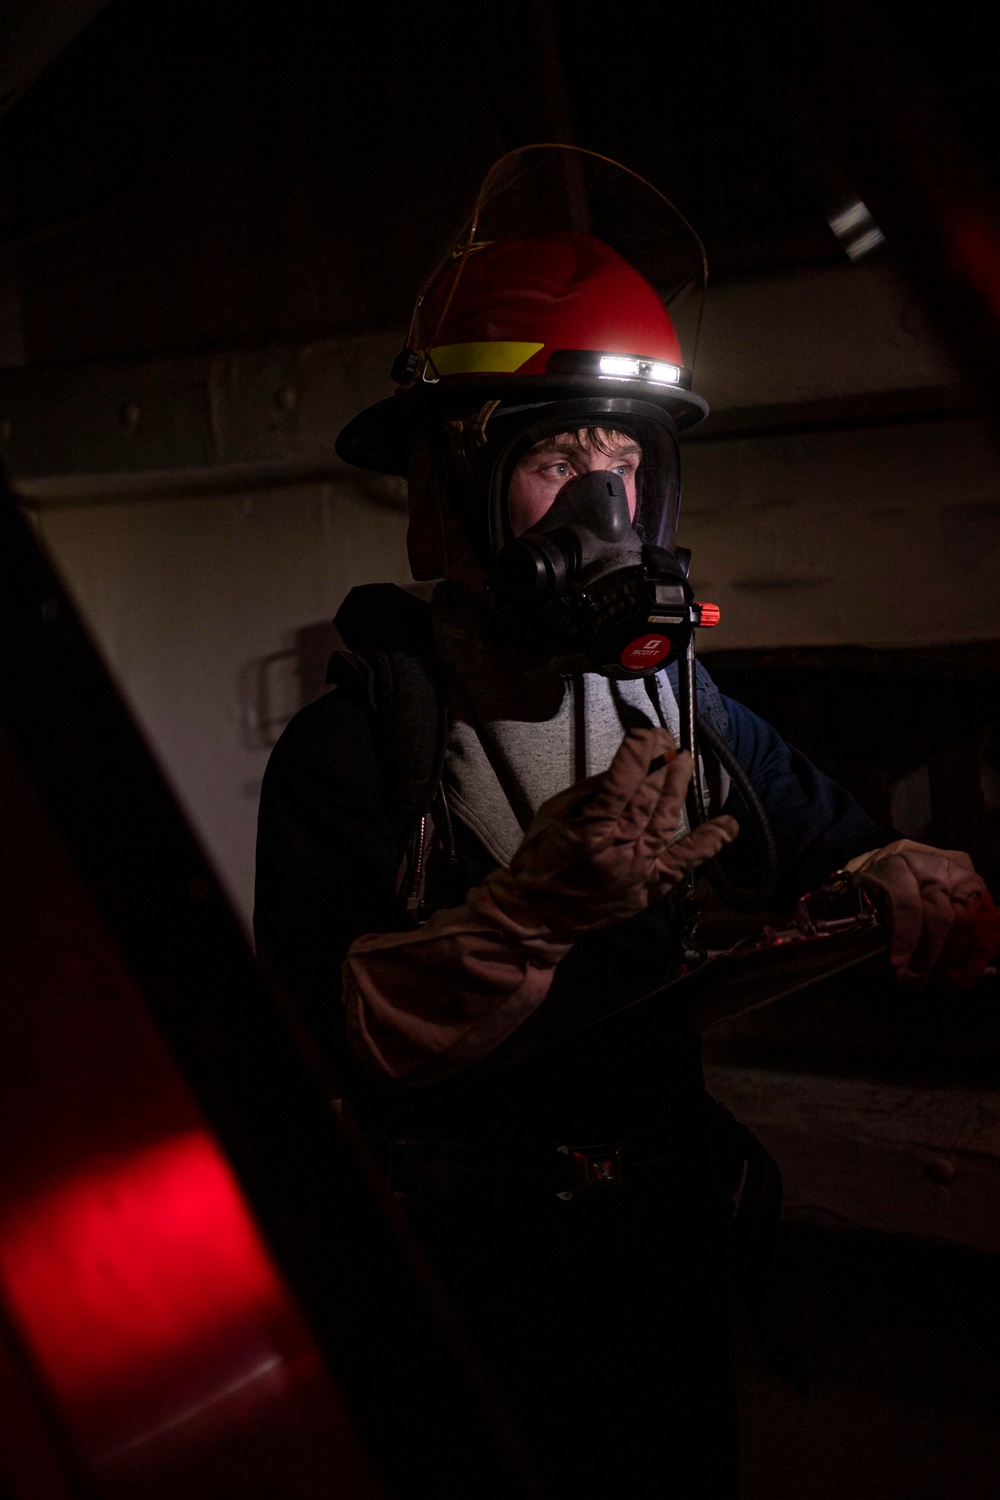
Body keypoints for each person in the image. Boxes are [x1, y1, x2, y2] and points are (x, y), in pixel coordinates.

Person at [254, 153, 1000, 1498]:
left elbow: (835, 838)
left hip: (657, 1266)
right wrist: (526, 915)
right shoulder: (353, 750)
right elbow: (322, 1045)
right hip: (469, 1291)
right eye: (555, 455)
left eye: (626, 459)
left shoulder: (680, 702)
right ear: (452, 486)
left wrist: (899, 870)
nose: (606, 506)